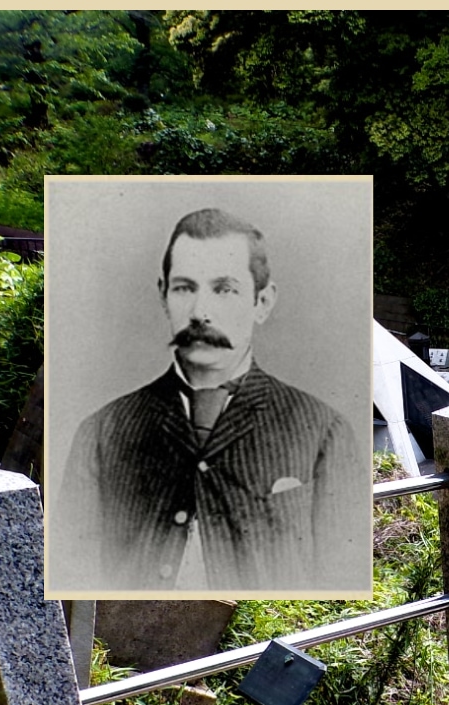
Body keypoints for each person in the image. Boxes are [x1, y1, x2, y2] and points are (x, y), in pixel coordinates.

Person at [59, 208, 364, 592]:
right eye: (185, 288)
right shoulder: (101, 432)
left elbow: (341, 577)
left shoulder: (324, 431)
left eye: (225, 289)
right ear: (163, 295)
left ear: (263, 302)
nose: (201, 312)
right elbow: (75, 574)